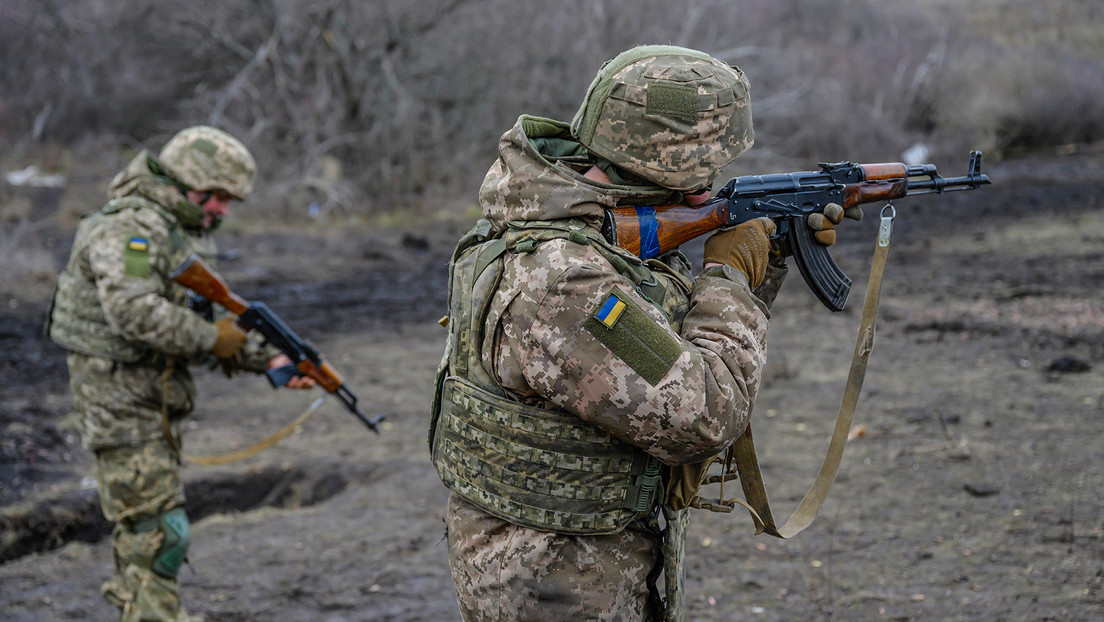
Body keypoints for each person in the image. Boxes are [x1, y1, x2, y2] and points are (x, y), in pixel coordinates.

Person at [428, 45, 853, 621]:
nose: (713, 185)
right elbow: (702, 413)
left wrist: (768, 254)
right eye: (708, 170)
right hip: (556, 582)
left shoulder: (568, 222)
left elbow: (668, 342)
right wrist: (728, 278)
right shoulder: (567, 280)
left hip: (579, 560)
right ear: (674, 166)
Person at [45, 126, 312, 622]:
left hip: (153, 403)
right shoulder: (131, 228)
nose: (222, 210)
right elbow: (133, 311)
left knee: (147, 531)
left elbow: (199, 319)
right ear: (185, 182)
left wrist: (267, 360)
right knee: (160, 534)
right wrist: (217, 341)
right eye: (217, 197)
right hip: (119, 405)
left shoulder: (173, 231)